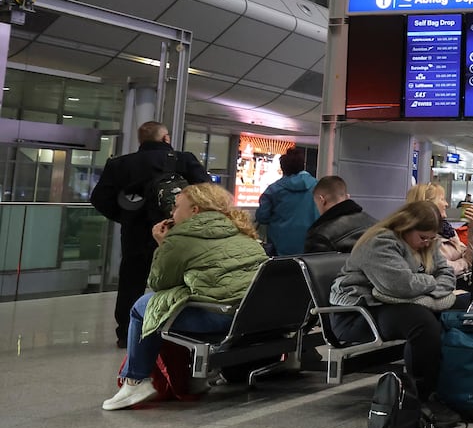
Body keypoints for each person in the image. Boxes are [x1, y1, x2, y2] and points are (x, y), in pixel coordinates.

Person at [102, 184, 266, 410]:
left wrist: (163, 244)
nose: (171, 213)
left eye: (177, 207)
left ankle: (135, 380)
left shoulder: (181, 238)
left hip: (221, 319)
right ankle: (193, 380)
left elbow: (160, 283)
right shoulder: (242, 232)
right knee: (177, 301)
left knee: (143, 306)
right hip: (252, 316)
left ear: (195, 211)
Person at [327, 202, 467, 428]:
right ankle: (421, 395)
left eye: (431, 239)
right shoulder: (380, 243)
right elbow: (400, 286)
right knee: (422, 323)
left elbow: (446, 274)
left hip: (387, 303)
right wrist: (432, 286)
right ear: (405, 227)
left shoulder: (426, 242)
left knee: (458, 308)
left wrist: (427, 288)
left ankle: (449, 386)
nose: (428, 243)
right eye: (423, 237)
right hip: (357, 313)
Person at [90, 120, 209, 347]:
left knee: (131, 281)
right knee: (179, 279)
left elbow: (99, 198)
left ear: (141, 140)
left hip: (135, 233)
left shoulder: (120, 165)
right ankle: (177, 329)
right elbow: (207, 193)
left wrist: (125, 216)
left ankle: (127, 332)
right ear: (165, 139)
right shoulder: (183, 160)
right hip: (176, 233)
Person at [254, 147, 319, 257]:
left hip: (280, 248)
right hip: (311, 246)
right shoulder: (318, 186)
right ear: (302, 165)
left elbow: (262, 217)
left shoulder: (272, 190)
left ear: (283, 168)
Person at [406, 183, 473, 280]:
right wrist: (465, 263)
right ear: (428, 204)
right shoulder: (420, 236)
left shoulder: (448, 231)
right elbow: (442, 269)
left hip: (455, 285)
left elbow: (472, 258)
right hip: (442, 289)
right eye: (442, 199)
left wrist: (472, 227)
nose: (446, 204)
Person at [304, 175, 376, 253]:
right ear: (347, 197)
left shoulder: (320, 237)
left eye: (316, 204)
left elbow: (316, 264)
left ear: (322, 200)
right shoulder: (374, 224)